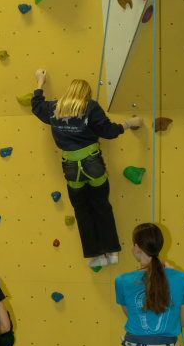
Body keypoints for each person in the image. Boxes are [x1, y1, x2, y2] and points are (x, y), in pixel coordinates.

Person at [31, 69, 141, 269]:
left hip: (72, 168)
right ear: (86, 94)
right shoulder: (90, 107)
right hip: (92, 164)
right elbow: (108, 131)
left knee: (82, 211)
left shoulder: (55, 108)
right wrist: (128, 124)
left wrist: (40, 81)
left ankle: (96, 256)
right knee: (101, 206)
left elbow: (37, 106)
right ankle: (111, 252)